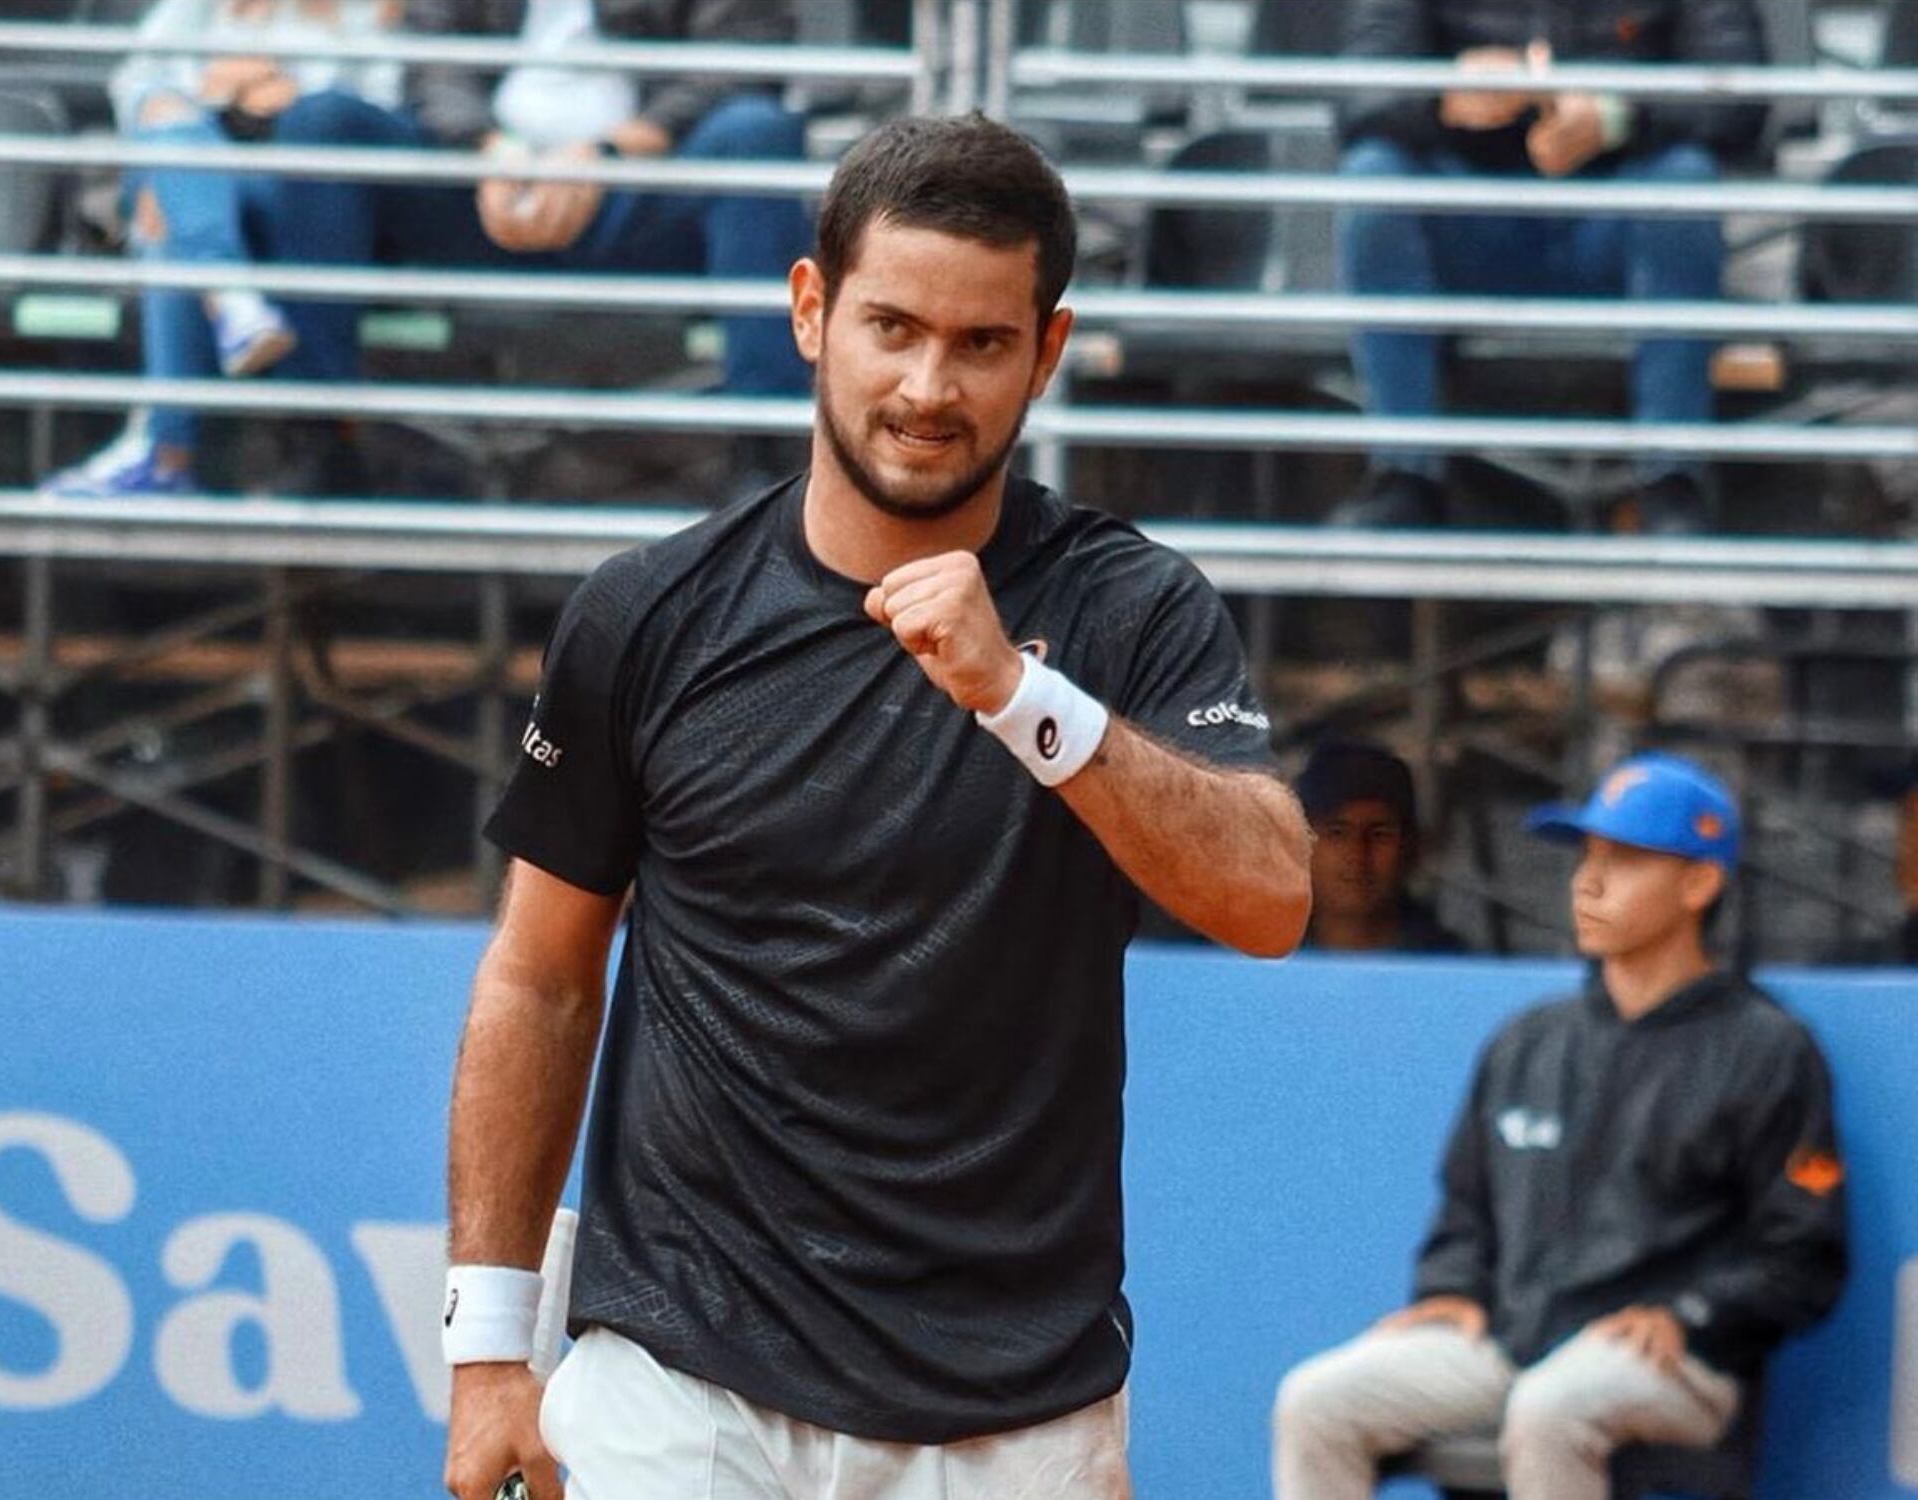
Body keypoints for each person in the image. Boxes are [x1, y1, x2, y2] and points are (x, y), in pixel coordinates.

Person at [439, 114, 1312, 1500]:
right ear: (810, 311)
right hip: (682, 1380)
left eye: (980, 344)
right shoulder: (648, 613)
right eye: (892, 327)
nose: (928, 385)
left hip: (1017, 1409)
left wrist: (1031, 704)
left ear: (1050, 350)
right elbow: (541, 980)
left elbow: (1270, 899)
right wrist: (489, 1350)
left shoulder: (1132, 610)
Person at [1271, 752, 1848, 1500]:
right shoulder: (1529, 1041)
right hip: (1514, 1342)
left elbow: (1803, 1253)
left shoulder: (1768, 1049)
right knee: (1317, 1400)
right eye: (1585, 855)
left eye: (1626, 859)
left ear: (1700, 882)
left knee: (1552, 1408)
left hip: (1678, 1362)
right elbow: (1466, 1207)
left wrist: (1690, 1315)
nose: (1588, 880)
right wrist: (1452, 1287)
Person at [1331, 0, 1769, 533]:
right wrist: (1441, 95)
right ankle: (1404, 474)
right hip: (1473, 220)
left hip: (1620, 218)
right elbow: (1359, 94)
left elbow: (1739, 96)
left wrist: (1619, 115)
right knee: (1374, 176)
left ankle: (1672, 481)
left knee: (1685, 182)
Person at [43, 0, 413, 498]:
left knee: (174, 199)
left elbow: (380, 122)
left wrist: (284, 100)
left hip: (298, 211)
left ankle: (166, 451)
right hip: (203, 178)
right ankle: (229, 297)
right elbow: (135, 83)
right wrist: (214, 98)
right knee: (165, 119)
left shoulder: (372, 13)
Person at [397, 0, 812, 401]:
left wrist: (611, 153)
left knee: (755, 132)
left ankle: (772, 448)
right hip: (477, 188)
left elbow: (742, 52)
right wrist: (488, 151)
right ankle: (333, 434)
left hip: (649, 188)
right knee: (335, 123)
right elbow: (431, 61)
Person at [1297, 739, 1467, 954]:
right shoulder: (1258, 963)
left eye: (1379, 835)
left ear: (1412, 848)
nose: (1357, 854)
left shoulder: (1453, 970)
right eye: (1337, 833)